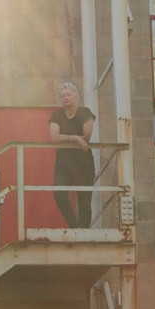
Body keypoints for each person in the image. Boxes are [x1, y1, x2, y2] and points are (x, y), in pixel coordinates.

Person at [49, 82, 96, 229]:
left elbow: (86, 137)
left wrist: (66, 137)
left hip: (83, 163)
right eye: (62, 96)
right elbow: (54, 137)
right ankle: (74, 227)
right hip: (63, 163)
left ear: (76, 96)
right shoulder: (57, 115)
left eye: (69, 94)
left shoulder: (85, 112)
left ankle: (83, 233)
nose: (65, 98)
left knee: (84, 201)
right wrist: (75, 138)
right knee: (59, 195)